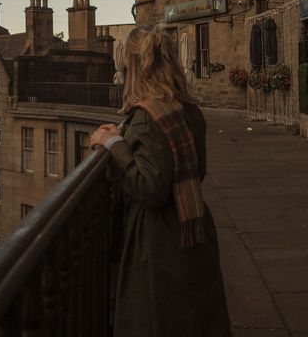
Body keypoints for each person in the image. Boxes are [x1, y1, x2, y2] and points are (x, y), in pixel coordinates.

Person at [90, 24, 231, 337]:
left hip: (159, 239)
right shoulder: (190, 109)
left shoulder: (146, 116)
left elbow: (150, 189)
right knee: (197, 318)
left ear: (134, 67)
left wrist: (114, 145)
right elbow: (199, 168)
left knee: (156, 319)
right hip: (193, 224)